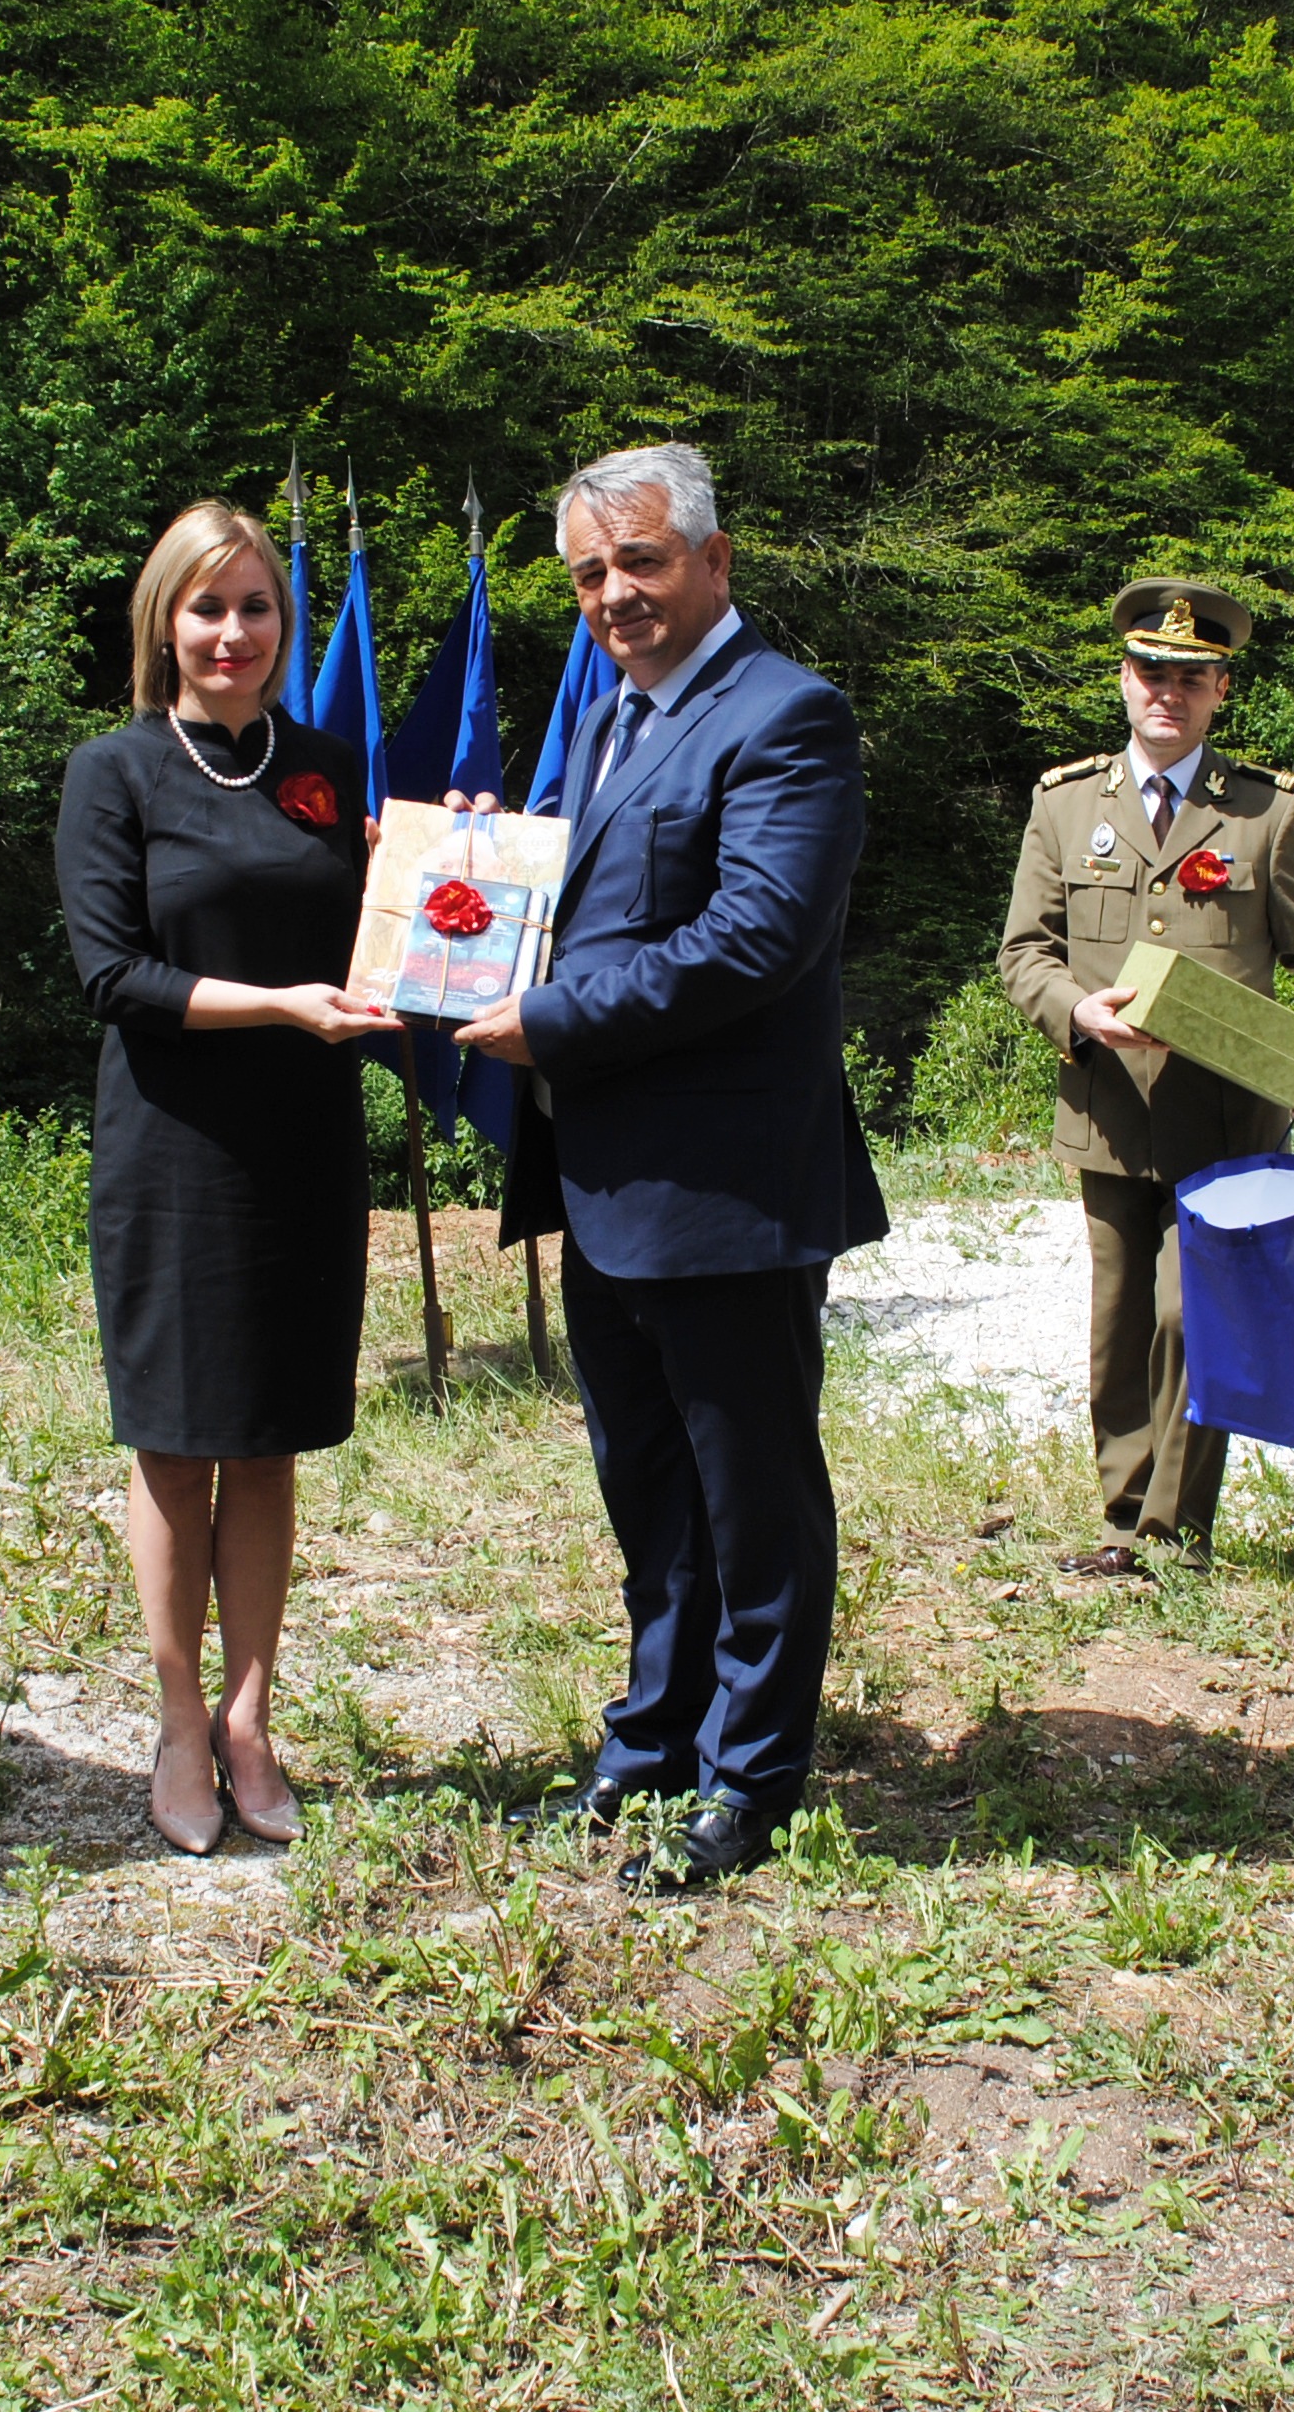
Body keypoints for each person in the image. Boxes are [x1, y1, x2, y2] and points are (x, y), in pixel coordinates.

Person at [456, 443, 886, 1893]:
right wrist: (491, 882)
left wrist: (552, 1018)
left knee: (753, 1501)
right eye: (589, 574)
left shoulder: (788, 715)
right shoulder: (611, 724)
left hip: (728, 1190)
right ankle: (651, 1743)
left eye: (639, 562)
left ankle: (750, 1784)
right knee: (648, 1492)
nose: (614, 595)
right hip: (609, 1187)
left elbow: (755, 940)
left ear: (713, 560)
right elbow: (606, 908)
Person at [56, 500, 396, 1856]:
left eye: (255, 607)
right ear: (164, 623)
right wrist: (281, 1007)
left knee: (268, 1444)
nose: (234, 633)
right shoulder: (117, 771)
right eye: (207, 608)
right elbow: (111, 974)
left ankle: (255, 1716)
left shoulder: (325, 766)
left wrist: (454, 862)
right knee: (179, 1440)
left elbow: (381, 929)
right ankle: (180, 1718)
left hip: (306, 1143)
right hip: (177, 1149)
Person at [994, 579, 1294, 1577]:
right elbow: (1024, 950)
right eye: (1150, 672)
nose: (1167, 692)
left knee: (1185, 1316)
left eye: (1189, 678)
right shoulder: (1065, 804)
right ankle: (1121, 1523)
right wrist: (1075, 1009)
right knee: (1118, 1329)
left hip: (1228, 1116)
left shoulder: (1263, 813)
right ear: (1123, 679)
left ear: (1219, 691)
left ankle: (1172, 1535)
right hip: (1108, 1111)